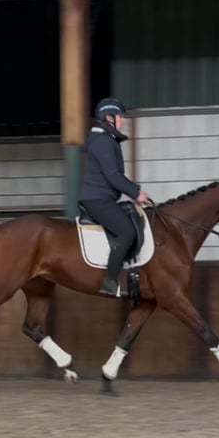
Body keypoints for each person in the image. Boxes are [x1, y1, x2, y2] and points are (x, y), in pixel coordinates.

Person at [79, 97, 150, 297]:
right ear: (108, 118)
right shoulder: (102, 141)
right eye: (120, 117)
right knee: (127, 231)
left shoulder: (106, 140)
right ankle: (110, 281)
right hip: (97, 199)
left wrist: (133, 191)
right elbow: (112, 175)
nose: (122, 121)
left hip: (104, 198)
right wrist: (136, 193)